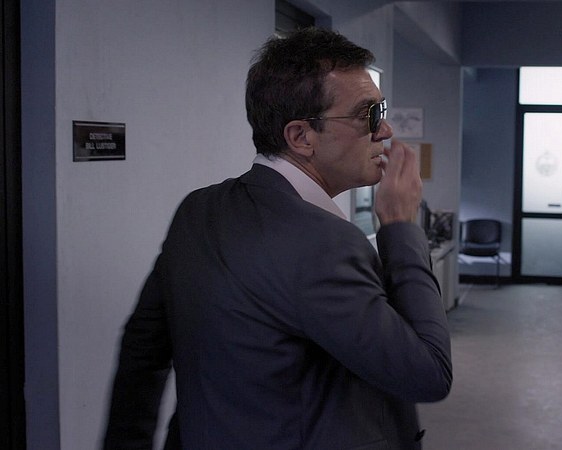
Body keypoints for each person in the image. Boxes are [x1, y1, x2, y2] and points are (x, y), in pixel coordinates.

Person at [103, 27, 452, 449]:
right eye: (367, 115)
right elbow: (428, 373)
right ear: (301, 137)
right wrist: (400, 225)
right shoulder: (325, 244)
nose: (386, 130)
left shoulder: (199, 210)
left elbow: (143, 351)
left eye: (381, 109)